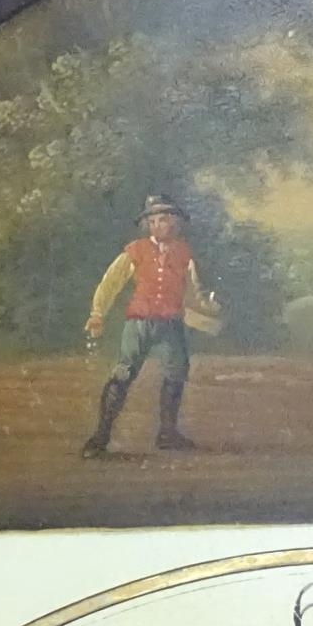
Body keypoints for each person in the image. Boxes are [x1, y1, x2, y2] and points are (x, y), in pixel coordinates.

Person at [82, 194, 211, 455]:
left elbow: (194, 291)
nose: (163, 225)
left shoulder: (185, 253)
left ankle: (167, 433)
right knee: (124, 373)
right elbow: (110, 283)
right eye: (157, 220)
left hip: (171, 324)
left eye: (167, 220)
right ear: (148, 225)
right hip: (139, 323)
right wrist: (97, 312)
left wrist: (208, 310)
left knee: (176, 371)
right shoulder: (134, 251)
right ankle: (100, 437)